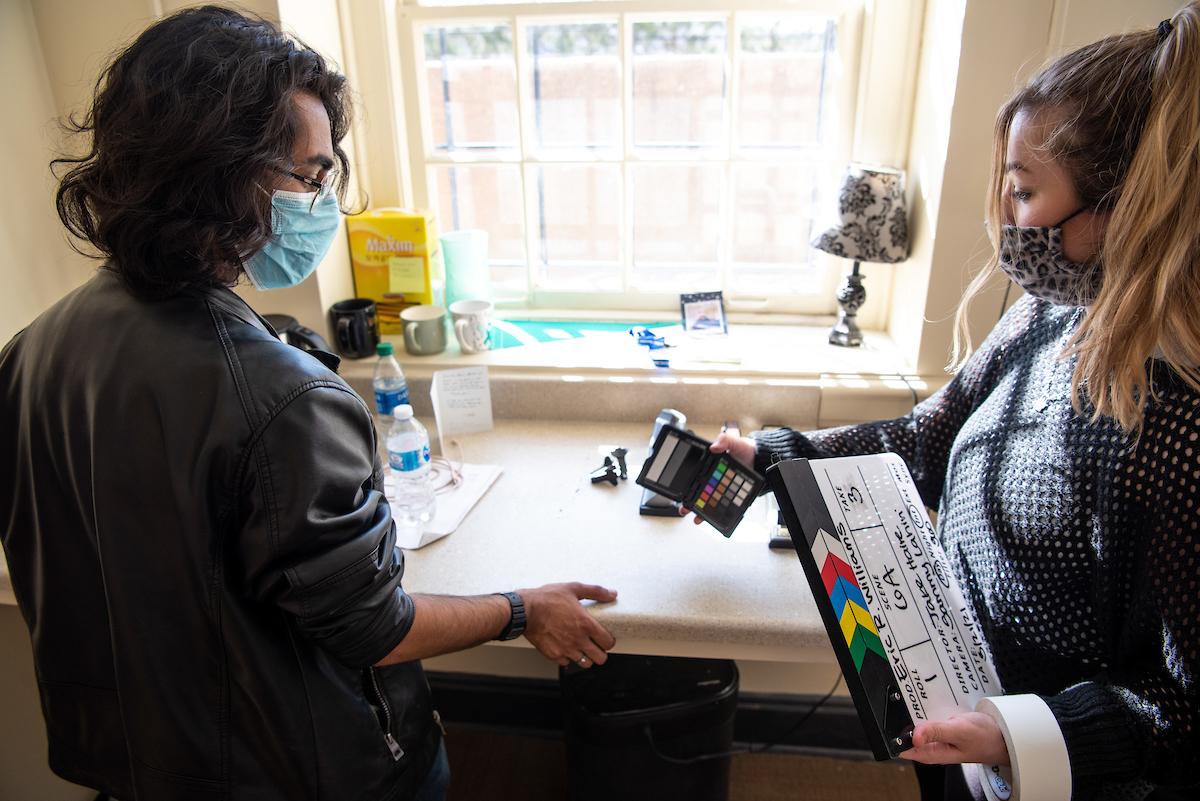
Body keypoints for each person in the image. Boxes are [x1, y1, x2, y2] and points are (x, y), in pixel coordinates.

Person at [0, 7, 616, 801]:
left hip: (131, 764)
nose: (324, 201)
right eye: (311, 175)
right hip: (298, 774)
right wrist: (519, 607)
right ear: (219, 167)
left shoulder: (33, 349)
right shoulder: (283, 395)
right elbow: (376, 628)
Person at [703, 6, 1200, 801]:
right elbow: (929, 435)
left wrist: (1024, 734)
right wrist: (779, 456)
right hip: (968, 708)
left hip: (1062, 767)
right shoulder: (1051, 310)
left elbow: (1183, 695)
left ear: (1123, 209)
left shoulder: (1176, 427)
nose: (1006, 222)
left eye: (1026, 192)